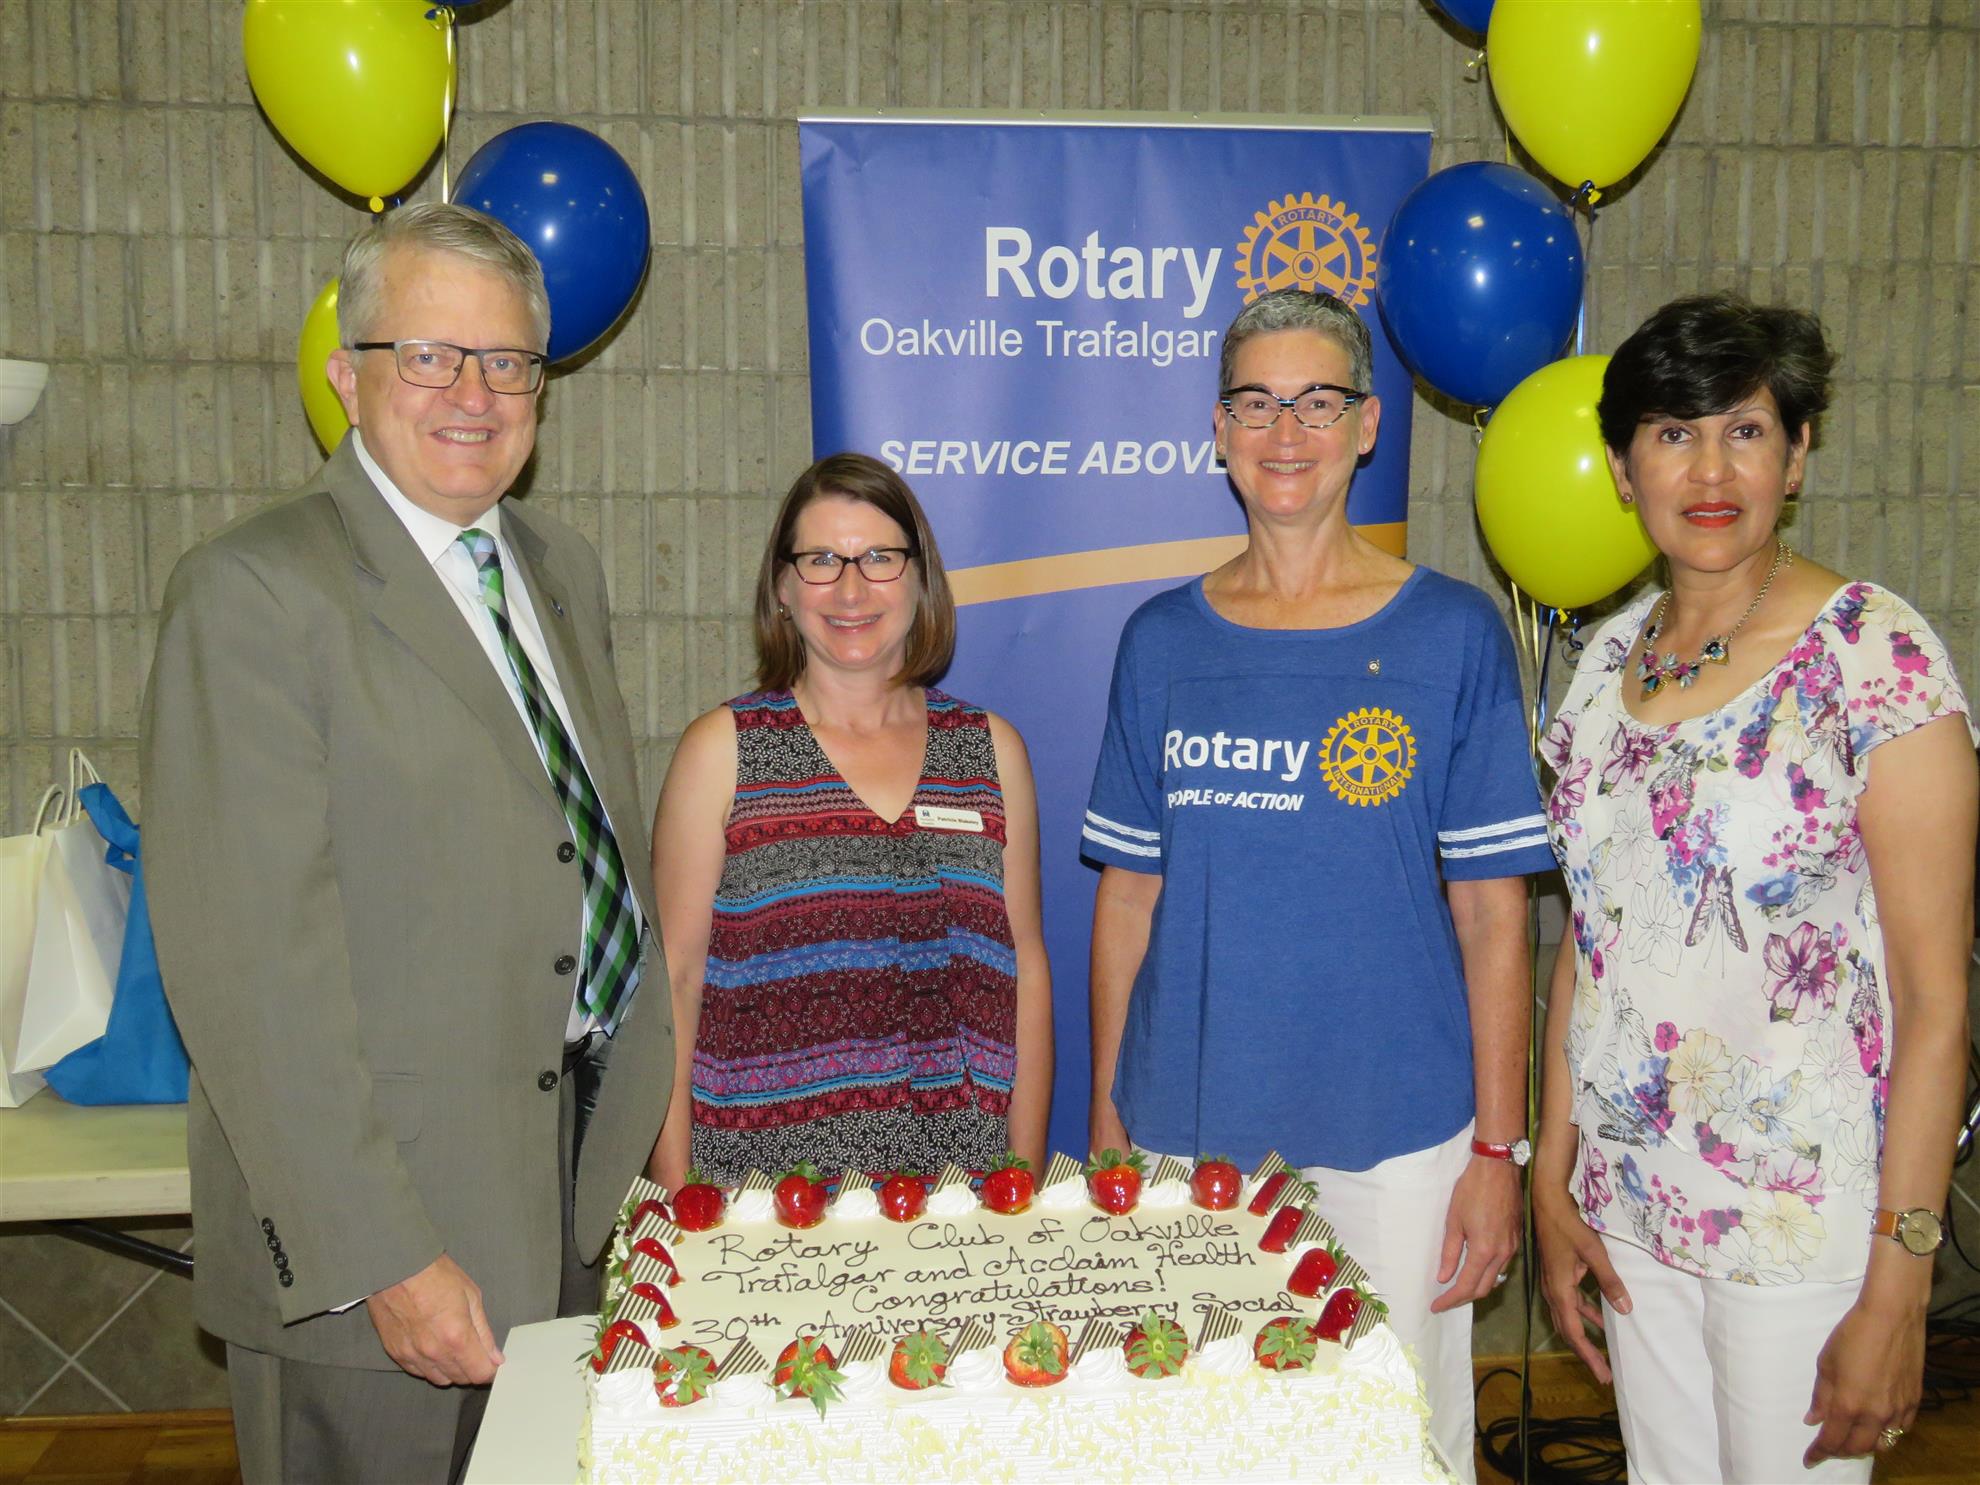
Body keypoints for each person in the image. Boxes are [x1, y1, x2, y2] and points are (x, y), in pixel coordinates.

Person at [142, 203, 669, 1484]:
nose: (472, 394)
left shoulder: (558, 567)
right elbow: (252, 975)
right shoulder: (257, 590)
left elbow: (571, 852)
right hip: (386, 1246)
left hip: (565, 1196)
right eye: (428, 355)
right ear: (347, 374)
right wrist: (383, 1255)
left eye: (507, 362)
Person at [1081, 287, 1556, 1481]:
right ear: (1218, 430)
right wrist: (1107, 1121)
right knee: (1204, 1446)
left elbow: (1494, 914)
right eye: (1255, 403)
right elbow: (1127, 900)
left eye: (1316, 403)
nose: (1284, 432)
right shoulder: (1161, 642)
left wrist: (1496, 1152)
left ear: (1367, 424)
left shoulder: (1452, 634)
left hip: (1398, 1141)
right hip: (1189, 1126)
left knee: (1397, 1443)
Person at [1534, 293, 1976, 1483]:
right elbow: (1594, 941)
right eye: (1674, 434)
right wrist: (1553, 1177)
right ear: (1622, 468)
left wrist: (1904, 1275)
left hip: (1802, 1227)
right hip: (1630, 1204)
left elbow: (1937, 1004)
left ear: (1799, 453)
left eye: (1746, 429)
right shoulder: (1606, 662)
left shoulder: (1874, 658)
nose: (1711, 470)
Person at [647, 452, 1051, 1190]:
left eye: (880, 558)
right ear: (782, 587)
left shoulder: (991, 751)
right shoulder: (723, 751)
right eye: (822, 560)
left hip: (960, 1198)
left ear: (921, 579)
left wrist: (1017, 1182)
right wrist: (678, 1199)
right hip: (764, 1202)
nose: (852, 588)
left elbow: (1022, 971)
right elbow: (674, 980)